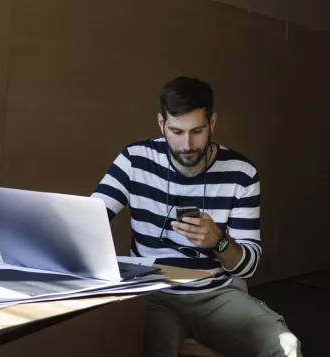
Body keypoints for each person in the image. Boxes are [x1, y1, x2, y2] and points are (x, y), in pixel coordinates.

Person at [92, 76, 302, 357]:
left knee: (285, 346)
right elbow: (91, 220)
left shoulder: (241, 173)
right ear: (161, 123)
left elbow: (248, 266)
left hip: (217, 293)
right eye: (176, 131)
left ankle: (194, 344)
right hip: (156, 294)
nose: (187, 144)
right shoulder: (135, 160)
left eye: (198, 131)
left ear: (212, 123)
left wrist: (220, 242)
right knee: (155, 346)